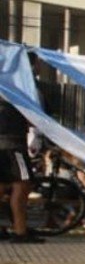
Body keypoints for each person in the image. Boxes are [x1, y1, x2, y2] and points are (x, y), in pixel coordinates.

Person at [0, 95, 41, 243]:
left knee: (2, 187)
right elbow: (33, 120)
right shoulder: (15, 92)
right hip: (13, 146)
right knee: (22, 187)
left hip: (5, 146)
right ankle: (20, 231)